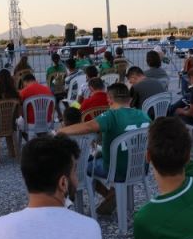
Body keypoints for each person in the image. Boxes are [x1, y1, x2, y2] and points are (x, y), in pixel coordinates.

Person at [59, 83, 150, 214]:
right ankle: (112, 195)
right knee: (101, 155)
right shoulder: (144, 115)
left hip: (116, 169)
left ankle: (108, 195)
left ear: (110, 99)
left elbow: (88, 127)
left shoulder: (111, 116)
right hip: (140, 167)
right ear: (129, 99)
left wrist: (60, 131)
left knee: (85, 166)